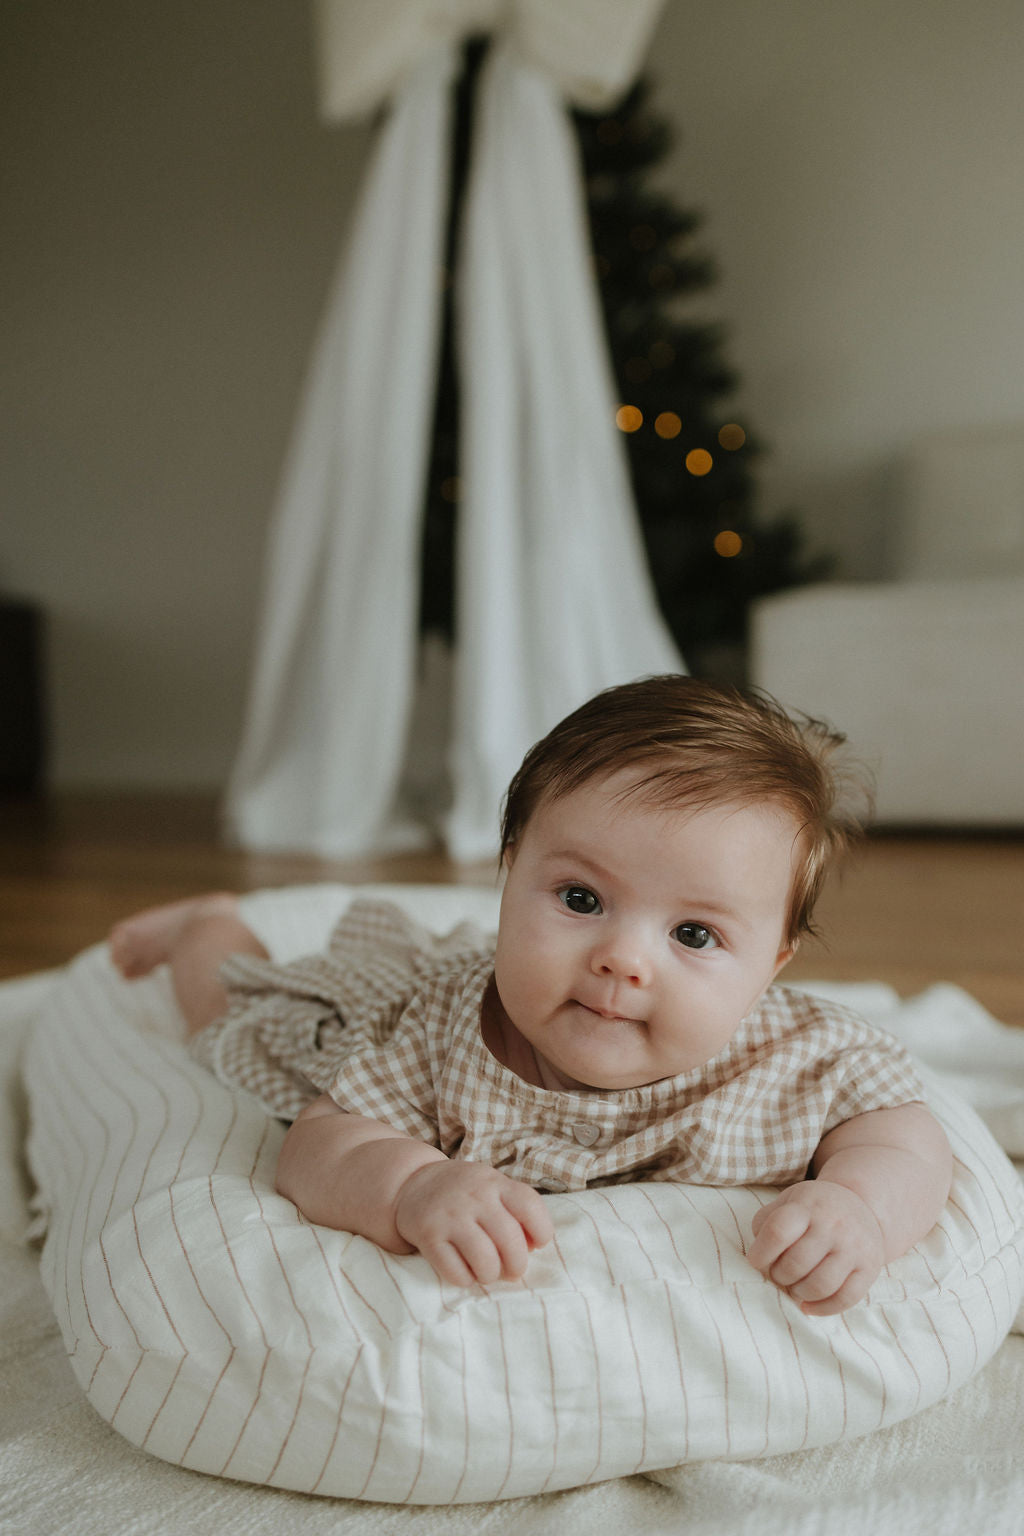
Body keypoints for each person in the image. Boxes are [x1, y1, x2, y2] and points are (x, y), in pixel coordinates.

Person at [110, 676, 952, 1315]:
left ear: (772, 965)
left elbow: (908, 1139)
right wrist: (411, 1186)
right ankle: (209, 924)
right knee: (238, 1013)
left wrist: (859, 1209)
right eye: (580, 900)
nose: (622, 961)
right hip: (372, 1007)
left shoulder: (803, 1060)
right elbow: (317, 1146)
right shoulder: (437, 1039)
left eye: (694, 935)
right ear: (509, 876)